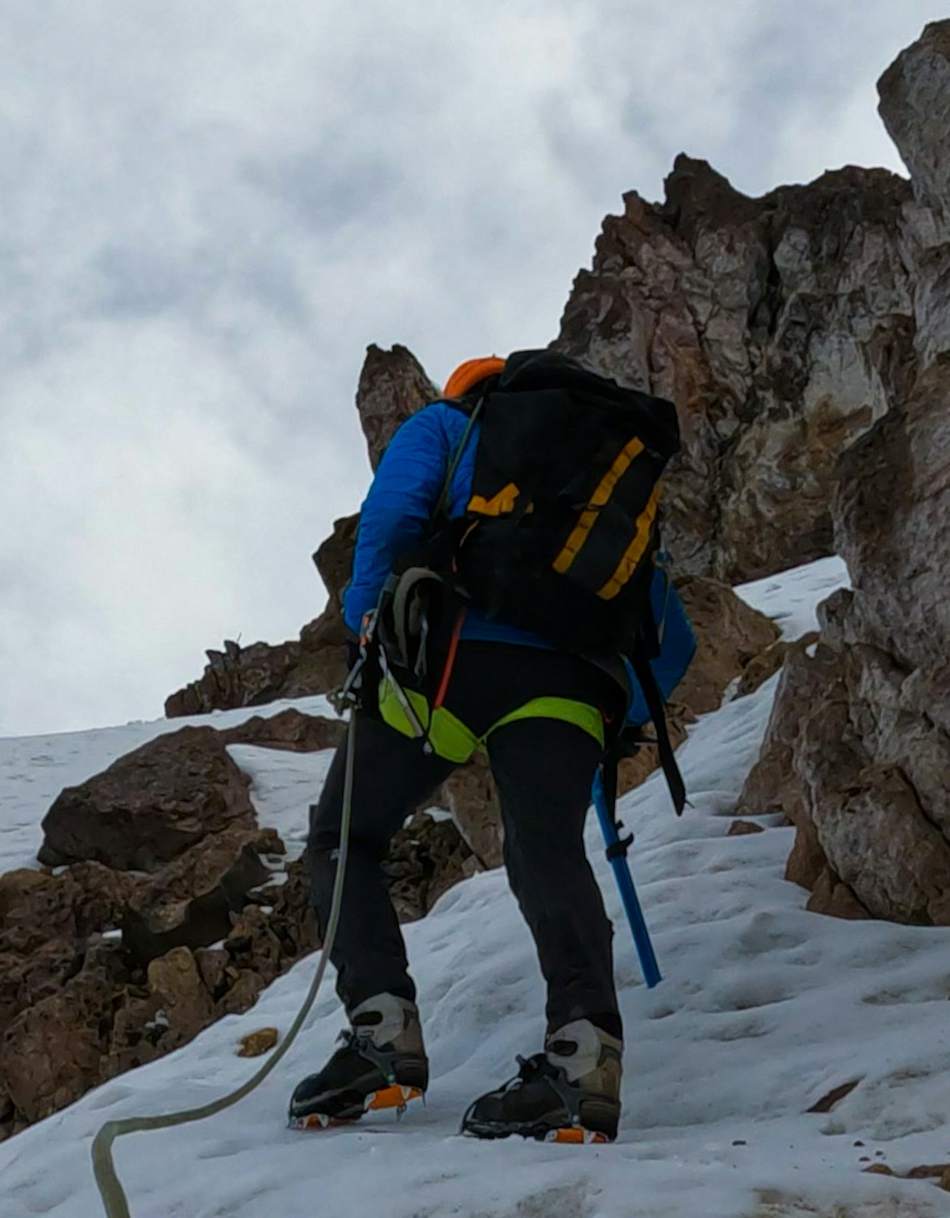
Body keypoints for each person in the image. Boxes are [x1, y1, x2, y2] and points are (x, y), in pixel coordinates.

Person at [288, 353, 696, 1143]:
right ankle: (583, 1064)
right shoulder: (608, 470)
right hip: (574, 682)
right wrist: (617, 721)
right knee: (545, 848)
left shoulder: (447, 425)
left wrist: (371, 617)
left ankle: (382, 1039)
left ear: (469, 393)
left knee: (345, 838)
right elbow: (665, 635)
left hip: (450, 659)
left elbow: (395, 512)